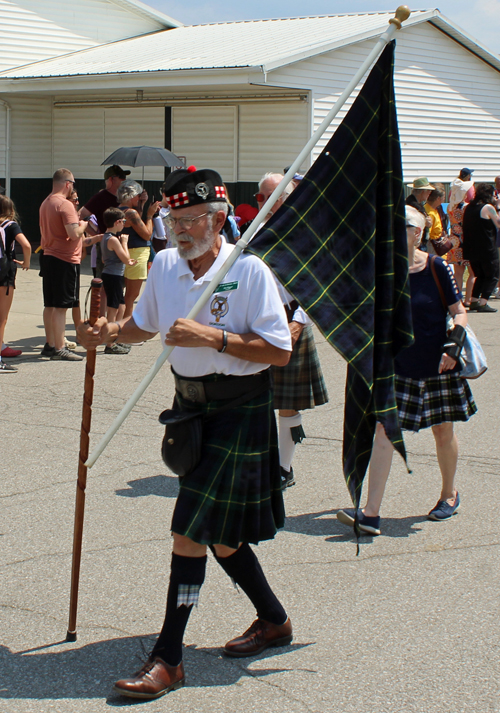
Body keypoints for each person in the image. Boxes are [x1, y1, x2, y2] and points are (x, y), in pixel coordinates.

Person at [77, 167, 293, 700]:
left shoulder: (248, 271)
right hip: (190, 410)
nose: (182, 228)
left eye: (194, 218)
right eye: (175, 218)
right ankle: (274, 619)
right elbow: (144, 325)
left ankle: (169, 658)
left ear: (219, 219)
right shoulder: (167, 266)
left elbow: (278, 349)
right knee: (219, 535)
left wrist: (213, 336)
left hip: (239, 409)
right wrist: (107, 334)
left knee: (189, 529)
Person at [337, 206, 476, 535]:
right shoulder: (383, 270)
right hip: (398, 367)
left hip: (438, 365)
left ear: (418, 233)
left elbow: (459, 311)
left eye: (404, 226)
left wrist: (454, 345)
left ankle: (448, 495)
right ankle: (371, 514)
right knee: (385, 432)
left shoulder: (437, 267)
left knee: (443, 432)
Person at [256, 172, 328, 489]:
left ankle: (284, 468)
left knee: (288, 401)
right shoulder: (255, 231)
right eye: (261, 198)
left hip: (291, 319)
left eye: (271, 197)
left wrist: (298, 322)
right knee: (254, 396)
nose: (265, 204)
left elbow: (318, 285)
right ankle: (259, 461)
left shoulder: (307, 233)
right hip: (257, 322)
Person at [39, 168, 89, 361]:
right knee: (61, 306)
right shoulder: (65, 205)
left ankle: (50, 344)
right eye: (72, 184)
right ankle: (60, 347)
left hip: (49, 256)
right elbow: (73, 233)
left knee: (50, 304)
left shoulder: (46, 203)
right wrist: (83, 225)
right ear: (68, 184)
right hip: (64, 259)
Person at [117, 180, 159, 319]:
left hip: (127, 252)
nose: (138, 198)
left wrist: (142, 204)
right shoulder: (131, 213)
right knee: (131, 295)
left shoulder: (120, 210)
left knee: (127, 294)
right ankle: (126, 326)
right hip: (136, 254)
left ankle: (121, 324)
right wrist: (150, 215)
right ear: (130, 196)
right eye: (137, 196)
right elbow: (146, 234)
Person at [0, 195, 31, 373]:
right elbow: (26, 245)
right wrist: (26, 262)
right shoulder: (10, 225)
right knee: (2, 318)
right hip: (4, 273)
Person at [100, 207, 137, 355]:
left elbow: (105, 258)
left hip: (112, 274)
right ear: (117, 222)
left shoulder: (105, 237)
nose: (123, 224)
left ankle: (115, 338)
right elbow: (125, 259)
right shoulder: (114, 239)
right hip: (113, 276)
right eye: (122, 222)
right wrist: (125, 243)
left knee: (121, 306)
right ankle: (109, 343)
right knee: (113, 309)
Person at [462, 183, 500, 313]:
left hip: (471, 249)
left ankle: (473, 301)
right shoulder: (488, 207)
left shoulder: (468, 207)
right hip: (487, 248)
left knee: (480, 275)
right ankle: (483, 302)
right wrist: (498, 207)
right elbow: (498, 224)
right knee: (493, 275)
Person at [448, 180, 475, 306]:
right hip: (468, 241)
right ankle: (468, 299)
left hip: (455, 241)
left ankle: (458, 299)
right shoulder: (466, 207)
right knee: (472, 273)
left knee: (458, 273)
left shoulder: (450, 207)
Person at [405, 176, 434, 248]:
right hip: (415, 244)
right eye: (428, 190)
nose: (430, 193)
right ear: (423, 191)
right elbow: (427, 223)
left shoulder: (414, 202)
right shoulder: (413, 204)